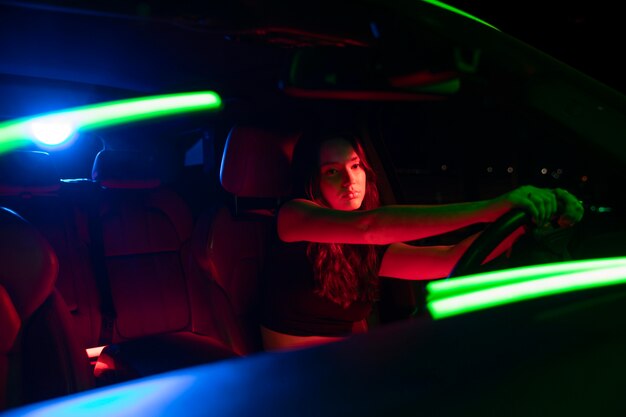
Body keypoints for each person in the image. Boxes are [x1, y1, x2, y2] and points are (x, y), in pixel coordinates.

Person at [259, 130, 584, 351]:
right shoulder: (294, 215)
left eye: (355, 166)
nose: (349, 180)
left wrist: (528, 220)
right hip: (291, 385)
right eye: (332, 171)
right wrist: (490, 208)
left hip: (348, 374)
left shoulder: (363, 247)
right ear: (312, 179)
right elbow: (368, 226)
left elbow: (448, 260)